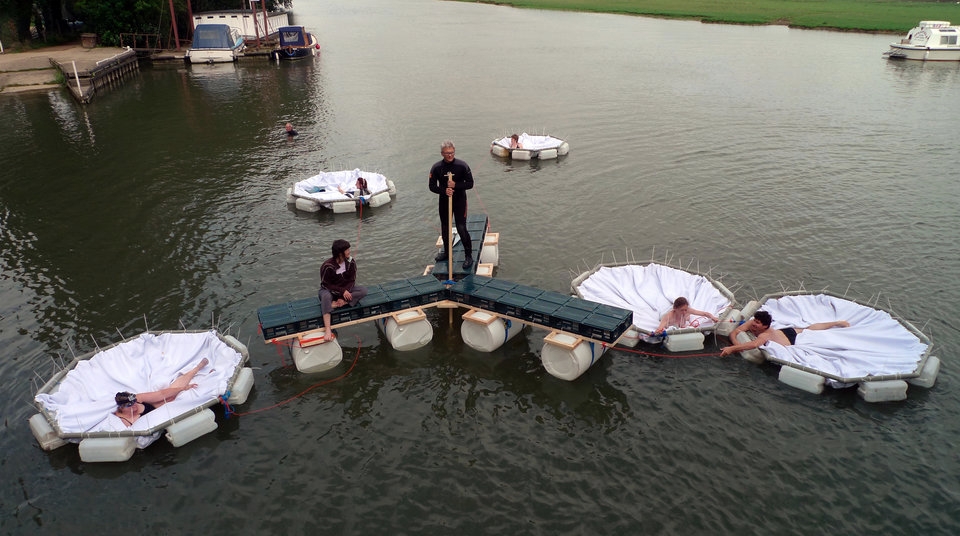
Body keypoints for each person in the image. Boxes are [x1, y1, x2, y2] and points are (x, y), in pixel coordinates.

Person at [113, 358, 209, 427]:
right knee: (170, 400)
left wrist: (183, 388)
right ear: (122, 408)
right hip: (157, 418)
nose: (134, 405)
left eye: (134, 402)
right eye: (130, 405)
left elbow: (161, 394)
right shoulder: (124, 420)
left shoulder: (138, 398)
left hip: (157, 406)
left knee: (171, 395)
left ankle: (196, 369)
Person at [720, 310, 850, 357]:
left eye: (758, 323)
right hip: (783, 331)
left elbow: (754, 345)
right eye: (755, 320)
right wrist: (736, 343)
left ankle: (836, 323)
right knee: (807, 328)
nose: (754, 324)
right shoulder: (750, 323)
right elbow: (735, 332)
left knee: (809, 330)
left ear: (764, 326)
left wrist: (732, 349)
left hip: (790, 339)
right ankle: (835, 323)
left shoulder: (764, 335)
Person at [428, 140, 474, 269]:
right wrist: (444, 190)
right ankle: (448, 253)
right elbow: (431, 186)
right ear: (442, 153)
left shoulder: (462, 166)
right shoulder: (436, 167)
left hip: (459, 200)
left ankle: (468, 256)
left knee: (461, 227)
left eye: (452, 152)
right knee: (445, 228)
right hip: (444, 200)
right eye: (447, 153)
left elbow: (470, 184)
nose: (450, 155)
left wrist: (456, 185)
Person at [318, 239, 368, 341]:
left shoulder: (351, 262)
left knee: (363, 290)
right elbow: (326, 284)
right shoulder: (328, 266)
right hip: (329, 291)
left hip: (345, 291)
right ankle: (328, 329)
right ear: (340, 253)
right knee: (326, 297)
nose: (349, 251)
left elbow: (352, 281)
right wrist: (342, 292)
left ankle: (340, 303)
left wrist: (343, 296)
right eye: (347, 249)